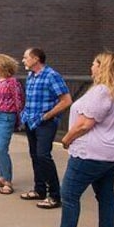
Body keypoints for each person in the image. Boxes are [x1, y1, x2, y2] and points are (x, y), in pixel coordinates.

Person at [43, 52, 114, 227]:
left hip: (92, 154)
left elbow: (85, 124)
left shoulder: (102, 91)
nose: (91, 66)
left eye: (94, 63)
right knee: (106, 194)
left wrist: (66, 139)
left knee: (69, 195)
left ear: (103, 67)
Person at [19, 47, 72, 209]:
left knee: (43, 156)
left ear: (35, 59)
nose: (23, 60)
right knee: (35, 155)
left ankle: (55, 196)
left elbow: (66, 100)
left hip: (45, 123)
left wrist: (47, 116)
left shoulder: (52, 76)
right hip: (30, 121)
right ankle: (39, 190)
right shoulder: (31, 76)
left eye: (25, 57)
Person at [0, 54, 24, 195]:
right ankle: (1, 177)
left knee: (2, 148)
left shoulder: (12, 82)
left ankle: (8, 181)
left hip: (6, 117)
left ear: (2, 65)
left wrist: (19, 120)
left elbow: (18, 101)